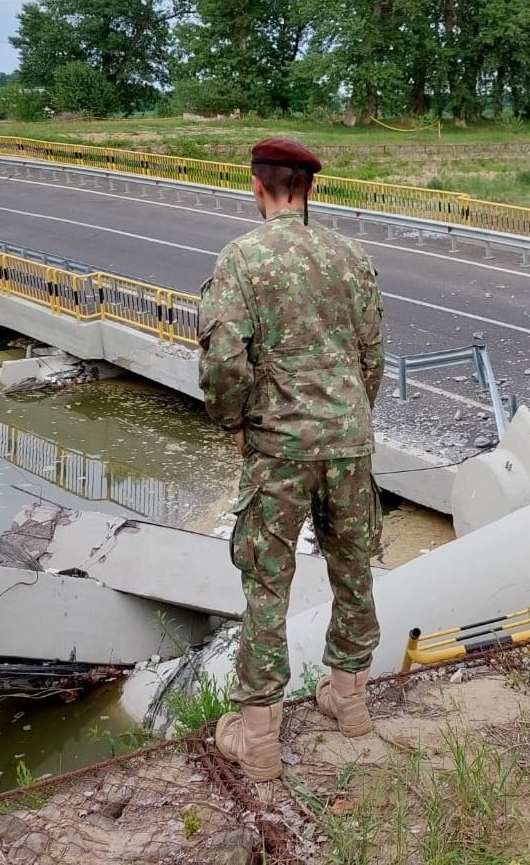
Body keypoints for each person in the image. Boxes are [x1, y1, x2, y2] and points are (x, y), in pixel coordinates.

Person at [198, 137, 386, 781]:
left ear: (257, 186)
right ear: (310, 189)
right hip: (348, 440)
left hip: (279, 446)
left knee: (266, 583)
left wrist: (235, 423)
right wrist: (351, 416)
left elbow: (225, 358)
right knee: (353, 569)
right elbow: (373, 353)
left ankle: (259, 739)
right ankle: (350, 702)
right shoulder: (349, 255)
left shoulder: (243, 259)